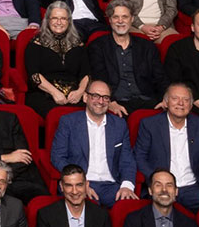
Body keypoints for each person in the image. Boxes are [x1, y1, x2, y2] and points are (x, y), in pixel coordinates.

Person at [50, 78, 137, 208]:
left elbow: (127, 160)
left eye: (105, 97)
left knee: (130, 208)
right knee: (90, 211)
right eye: (95, 96)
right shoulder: (68, 122)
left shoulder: (119, 125)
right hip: (81, 183)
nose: (101, 101)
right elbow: (57, 156)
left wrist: (127, 186)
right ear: (85, 97)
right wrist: (79, 183)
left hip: (112, 185)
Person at [134, 83, 199, 211]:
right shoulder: (149, 125)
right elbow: (139, 157)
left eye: (186, 100)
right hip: (161, 187)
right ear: (166, 102)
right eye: (175, 99)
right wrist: (156, 181)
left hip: (192, 188)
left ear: (191, 105)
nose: (181, 103)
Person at [88, 0, 167, 116]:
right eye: (116, 17)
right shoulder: (98, 46)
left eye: (125, 17)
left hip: (147, 100)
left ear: (132, 19)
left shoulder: (147, 46)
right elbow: (99, 77)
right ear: (109, 20)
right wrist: (109, 101)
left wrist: (165, 98)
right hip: (117, 102)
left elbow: (160, 77)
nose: (120, 21)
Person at [24, 1, 90, 118]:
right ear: (48, 20)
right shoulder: (35, 43)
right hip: (44, 94)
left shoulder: (78, 43)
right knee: (58, 115)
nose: (59, 22)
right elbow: (34, 75)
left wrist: (80, 92)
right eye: (54, 18)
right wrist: (55, 93)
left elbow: (86, 73)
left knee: (86, 113)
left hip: (74, 94)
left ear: (69, 21)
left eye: (63, 18)